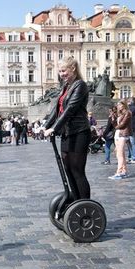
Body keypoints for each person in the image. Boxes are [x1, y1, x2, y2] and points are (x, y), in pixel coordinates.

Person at [43, 57, 92, 195]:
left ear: (73, 69)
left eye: (64, 70)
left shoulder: (80, 85)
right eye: (60, 71)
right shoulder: (66, 87)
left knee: (77, 170)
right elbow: (57, 109)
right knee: (68, 169)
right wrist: (45, 125)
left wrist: (54, 128)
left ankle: (84, 205)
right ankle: (75, 202)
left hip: (79, 132)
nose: (62, 74)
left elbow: (70, 109)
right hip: (67, 133)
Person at [110, 99, 131, 180]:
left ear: (124, 105)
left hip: (123, 134)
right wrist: (113, 118)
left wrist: (116, 126)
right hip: (118, 134)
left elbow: (123, 124)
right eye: (117, 105)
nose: (118, 106)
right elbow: (116, 124)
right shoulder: (120, 114)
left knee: (120, 153)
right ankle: (124, 171)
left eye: (119, 105)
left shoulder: (128, 113)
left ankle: (119, 172)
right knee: (120, 153)